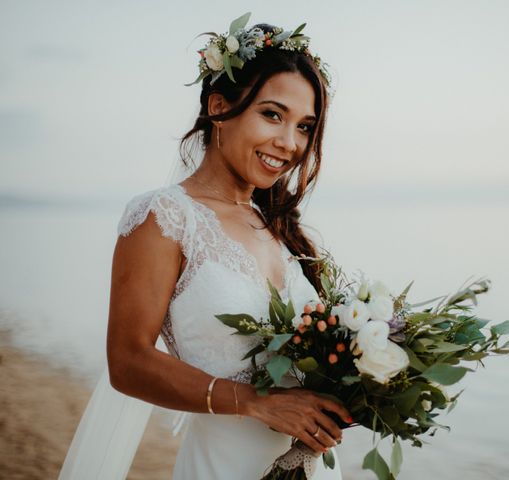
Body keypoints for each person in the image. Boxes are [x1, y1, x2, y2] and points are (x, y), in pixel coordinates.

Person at [60, 14, 350, 480]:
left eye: (304, 126)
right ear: (218, 107)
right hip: (224, 466)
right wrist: (256, 404)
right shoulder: (164, 216)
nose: (290, 143)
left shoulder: (277, 229)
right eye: (272, 115)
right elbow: (128, 361)